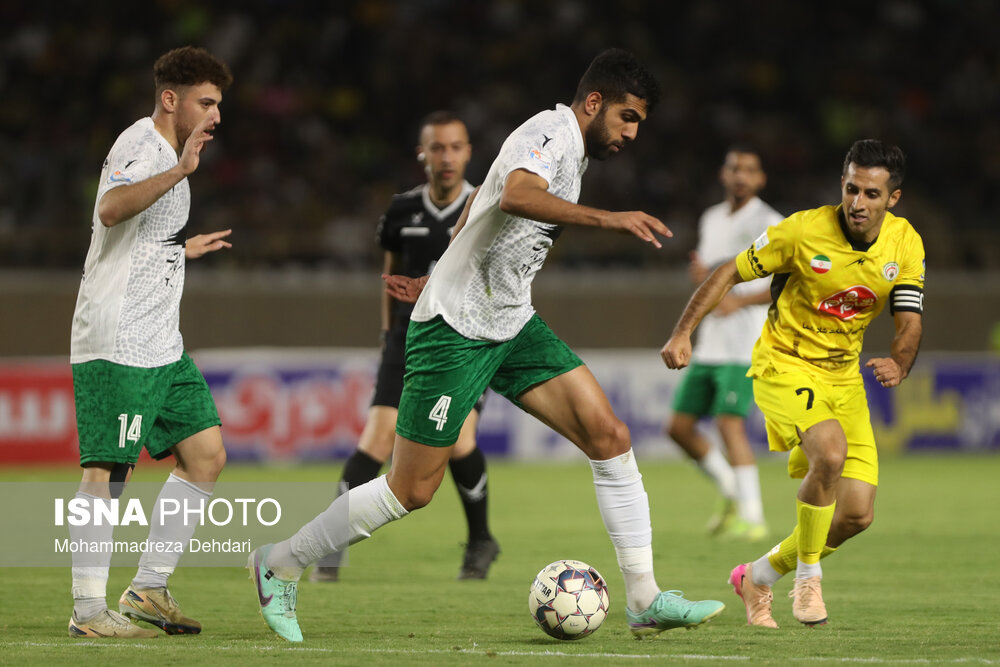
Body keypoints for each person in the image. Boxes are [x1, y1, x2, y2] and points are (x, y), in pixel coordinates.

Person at [249, 48, 725, 643]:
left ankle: (645, 600)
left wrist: (442, 266)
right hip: (453, 331)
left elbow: (480, 202)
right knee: (411, 489)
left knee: (610, 436)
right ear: (594, 102)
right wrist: (609, 219)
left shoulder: (570, 151)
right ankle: (280, 562)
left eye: (639, 123)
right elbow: (517, 195)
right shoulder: (550, 132)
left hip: (511, 321)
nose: (632, 133)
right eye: (627, 117)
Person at [661, 139, 924, 628]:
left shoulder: (905, 242)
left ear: (893, 198)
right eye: (851, 189)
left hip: (843, 377)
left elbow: (908, 319)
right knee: (829, 455)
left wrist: (901, 361)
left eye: (871, 193)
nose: (858, 202)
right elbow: (729, 271)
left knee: (856, 516)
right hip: (785, 364)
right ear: (841, 185)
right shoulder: (802, 231)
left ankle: (758, 575)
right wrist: (682, 332)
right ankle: (808, 580)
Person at [67, 46, 233, 638]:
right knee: (108, 474)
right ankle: (89, 612)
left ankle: (148, 588)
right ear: (170, 99)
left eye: (218, 104)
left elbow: (137, 236)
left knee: (206, 455)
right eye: (206, 102)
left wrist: (179, 249)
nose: (216, 115)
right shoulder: (142, 145)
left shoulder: (166, 151)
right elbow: (111, 209)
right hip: (119, 337)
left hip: (161, 340)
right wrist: (181, 172)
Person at [310, 111, 499, 583]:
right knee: (376, 439)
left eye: (455, 147)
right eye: (437, 147)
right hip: (406, 340)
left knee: (460, 440)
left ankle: (481, 541)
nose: (446, 156)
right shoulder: (401, 211)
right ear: (423, 154)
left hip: (465, 342)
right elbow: (390, 274)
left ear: (468, 153)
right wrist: (386, 333)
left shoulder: (485, 206)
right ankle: (330, 544)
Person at [666, 146, 781, 541]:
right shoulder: (711, 218)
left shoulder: (770, 222)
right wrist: (702, 276)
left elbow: (785, 284)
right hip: (710, 343)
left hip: (743, 343)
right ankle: (731, 490)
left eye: (749, 170)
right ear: (723, 174)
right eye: (734, 168)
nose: (740, 176)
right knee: (678, 428)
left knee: (729, 424)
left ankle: (753, 516)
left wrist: (740, 301)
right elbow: (713, 275)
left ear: (760, 179)